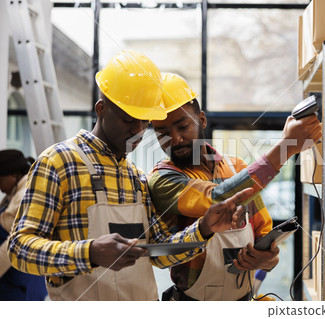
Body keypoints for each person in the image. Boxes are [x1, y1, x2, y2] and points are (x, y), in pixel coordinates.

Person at [7, 50, 251, 301]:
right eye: (128, 119)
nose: (138, 130)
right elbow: (19, 249)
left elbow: (159, 253)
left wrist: (204, 228)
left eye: (145, 122)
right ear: (101, 109)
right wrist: (89, 253)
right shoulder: (59, 163)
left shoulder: (136, 179)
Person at [148, 73, 322, 301]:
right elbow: (217, 198)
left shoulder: (236, 167)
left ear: (201, 120)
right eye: (163, 134)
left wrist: (268, 259)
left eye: (182, 127)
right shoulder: (163, 179)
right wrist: (285, 149)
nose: (176, 139)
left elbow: (264, 234)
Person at [0, 150, 47, 300]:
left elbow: (15, 242)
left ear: (12, 176)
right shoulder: (14, 194)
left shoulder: (26, 195)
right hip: (12, 277)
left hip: (20, 280)